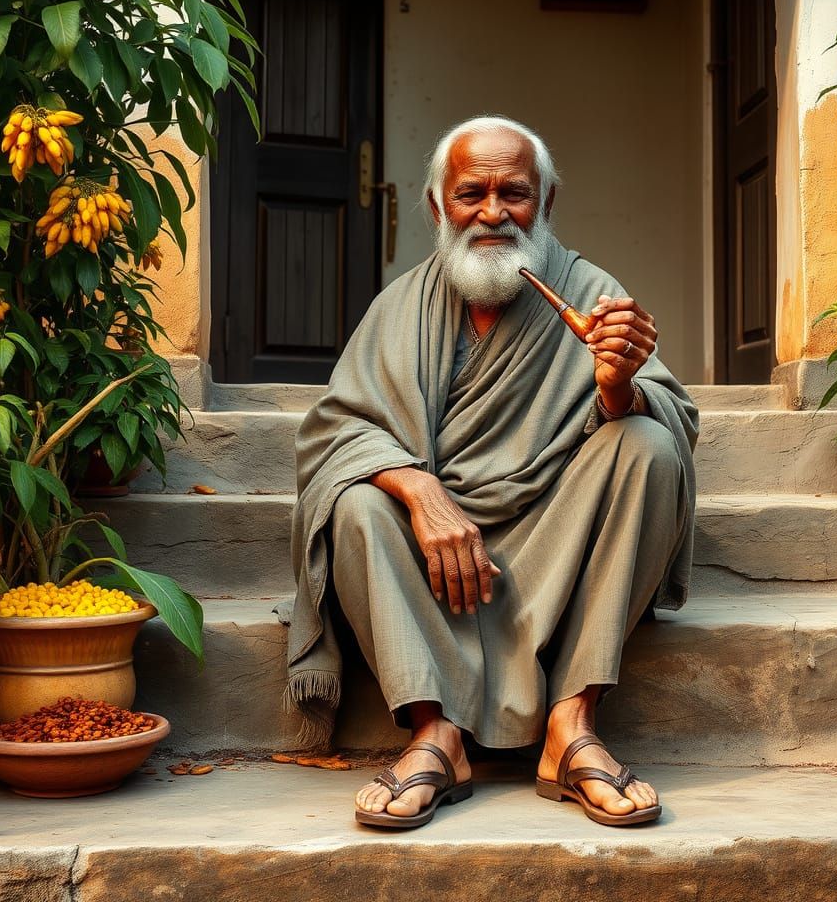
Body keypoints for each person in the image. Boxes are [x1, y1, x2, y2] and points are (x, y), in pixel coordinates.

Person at [284, 116, 698, 830]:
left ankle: (572, 725)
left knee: (649, 448)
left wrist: (617, 385)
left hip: (556, 545)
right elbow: (333, 431)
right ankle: (434, 731)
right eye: (472, 192)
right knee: (353, 502)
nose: (494, 211)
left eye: (516, 192)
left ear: (547, 201)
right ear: (438, 206)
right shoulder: (400, 308)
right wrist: (417, 490)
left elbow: (675, 421)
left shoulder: (595, 293)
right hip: (432, 563)